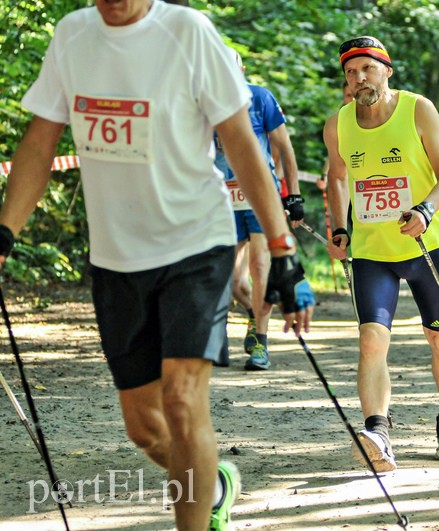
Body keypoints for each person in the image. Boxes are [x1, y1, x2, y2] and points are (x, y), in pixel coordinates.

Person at [0, 2, 314, 529]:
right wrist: (5, 232)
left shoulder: (188, 32)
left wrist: (281, 247)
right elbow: (38, 142)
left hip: (198, 243)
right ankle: (212, 483)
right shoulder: (73, 36)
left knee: (182, 400)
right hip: (117, 257)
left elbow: (242, 144)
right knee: (145, 428)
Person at [324, 36, 439, 470]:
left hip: (426, 245)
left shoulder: (417, 109)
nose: (358, 79)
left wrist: (425, 209)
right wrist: (340, 227)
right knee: (371, 340)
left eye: (367, 68)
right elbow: (337, 178)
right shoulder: (338, 124)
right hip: (371, 251)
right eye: (350, 72)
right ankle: (377, 433)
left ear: (386, 70)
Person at [214, 47, 309, 371]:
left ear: (240, 71)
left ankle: (260, 343)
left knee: (259, 267)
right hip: (222, 199)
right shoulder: (202, 103)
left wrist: (292, 195)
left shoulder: (260, 98)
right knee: (229, 278)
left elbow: (285, 148)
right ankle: (255, 318)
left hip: (258, 197)